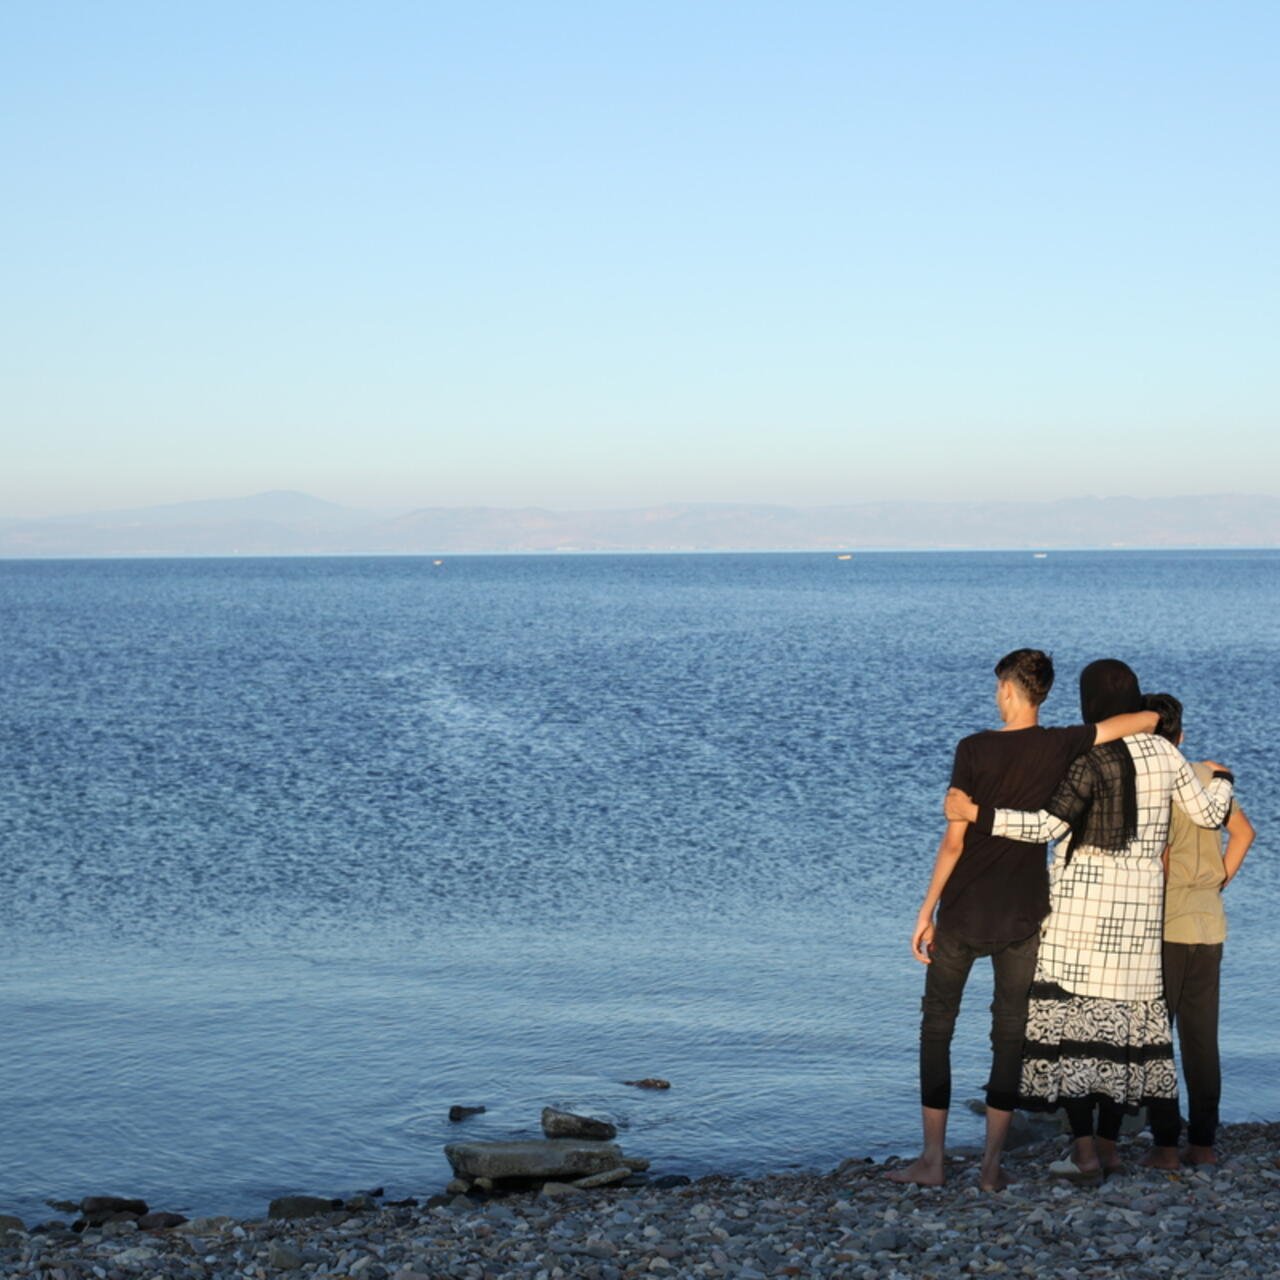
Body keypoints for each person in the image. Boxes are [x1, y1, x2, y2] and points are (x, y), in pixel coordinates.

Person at [944, 659, 1234, 1183]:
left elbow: (1043, 828)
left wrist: (979, 815)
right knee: (1123, 1037)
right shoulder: (1167, 753)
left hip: (1081, 912)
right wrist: (1225, 780)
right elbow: (1212, 816)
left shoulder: (1088, 756)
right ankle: (1111, 1147)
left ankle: (1084, 1153)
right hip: (1140, 915)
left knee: (1072, 1034)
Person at [887, 649, 1158, 1192]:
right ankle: (990, 1168)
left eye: (997, 688)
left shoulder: (974, 748)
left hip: (964, 911)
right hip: (1024, 915)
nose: (995, 696)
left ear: (1009, 690)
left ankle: (933, 1161)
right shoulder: (1061, 743)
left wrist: (926, 909)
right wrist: (1094, 728)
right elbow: (1147, 719)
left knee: (937, 1029)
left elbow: (953, 840)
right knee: (1009, 1036)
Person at [1141, 692, 1255, 1169]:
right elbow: (1245, 833)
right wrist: (1217, 880)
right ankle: (1204, 1143)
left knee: (1157, 1037)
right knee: (1201, 1038)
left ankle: (1166, 1146)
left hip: (1168, 922)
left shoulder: (1156, 784)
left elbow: (1162, 858)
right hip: (1210, 921)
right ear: (1181, 736)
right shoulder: (1209, 778)